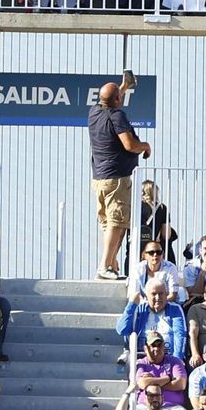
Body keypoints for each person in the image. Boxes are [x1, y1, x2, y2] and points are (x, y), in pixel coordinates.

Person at [89, 74, 149, 280]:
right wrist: (146, 146)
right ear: (117, 101)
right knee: (117, 222)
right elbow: (130, 145)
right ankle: (105, 266)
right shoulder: (117, 116)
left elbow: (110, 99)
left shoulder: (94, 112)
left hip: (99, 179)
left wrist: (123, 87)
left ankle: (111, 265)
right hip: (117, 179)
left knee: (109, 224)